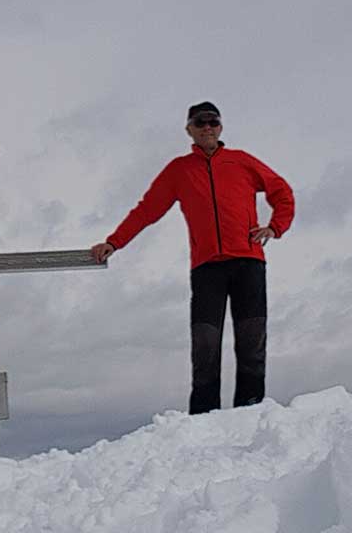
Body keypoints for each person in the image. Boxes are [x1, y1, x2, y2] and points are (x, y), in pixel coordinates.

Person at [90, 101, 295, 414]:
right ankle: (203, 420)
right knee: (205, 345)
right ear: (189, 129)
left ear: (221, 127)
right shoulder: (179, 170)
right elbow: (147, 210)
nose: (208, 128)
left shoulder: (241, 162)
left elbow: (282, 192)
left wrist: (275, 228)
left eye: (213, 122)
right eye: (200, 123)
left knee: (252, 341)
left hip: (248, 263)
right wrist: (114, 242)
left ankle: (250, 412)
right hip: (207, 268)